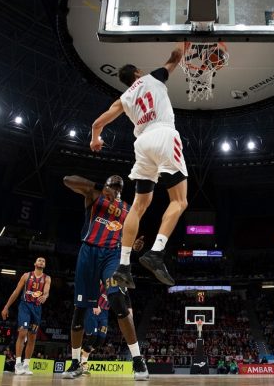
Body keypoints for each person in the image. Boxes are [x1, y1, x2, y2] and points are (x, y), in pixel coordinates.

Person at [90, 43, 189, 289]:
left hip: (142, 144)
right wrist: (184, 42)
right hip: (164, 134)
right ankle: (156, 252)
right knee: (179, 201)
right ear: (137, 73)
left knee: (138, 205)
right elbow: (175, 57)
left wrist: (95, 140)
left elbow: (97, 124)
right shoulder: (153, 77)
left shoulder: (123, 99)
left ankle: (123, 266)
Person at [61, 173, 149, 380]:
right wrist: (99, 186)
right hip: (89, 252)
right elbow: (67, 180)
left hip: (113, 255)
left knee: (118, 300)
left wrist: (134, 246)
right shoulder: (95, 195)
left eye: (119, 186)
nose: (115, 188)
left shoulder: (128, 209)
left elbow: (127, 237)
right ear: (107, 184)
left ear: (123, 189)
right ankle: (75, 362)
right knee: (80, 309)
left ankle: (138, 360)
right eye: (112, 184)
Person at [1, 257, 50, 375]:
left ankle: (26, 364)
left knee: (32, 337)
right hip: (25, 306)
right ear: (35, 263)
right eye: (39, 260)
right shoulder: (26, 275)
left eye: (43, 261)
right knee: (22, 332)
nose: (41, 262)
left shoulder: (47, 278)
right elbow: (16, 292)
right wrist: (6, 307)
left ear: (44, 265)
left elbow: (46, 291)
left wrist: (45, 296)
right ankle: (18, 364)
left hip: (37, 308)